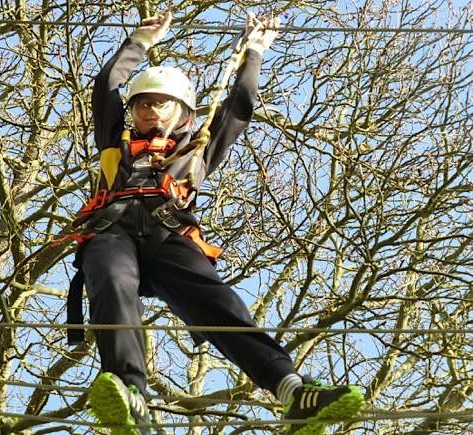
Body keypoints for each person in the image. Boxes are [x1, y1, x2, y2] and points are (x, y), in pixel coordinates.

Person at [68, 11, 365, 435]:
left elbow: (239, 107)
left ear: (183, 111)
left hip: (168, 234)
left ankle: (292, 390)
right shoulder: (115, 137)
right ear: (132, 111)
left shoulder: (200, 145)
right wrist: (139, 42)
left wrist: (255, 52)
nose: (151, 110)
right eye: (144, 103)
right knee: (111, 279)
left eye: (161, 103)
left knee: (218, 304)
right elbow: (106, 87)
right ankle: (131, 394)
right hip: (111, 231)